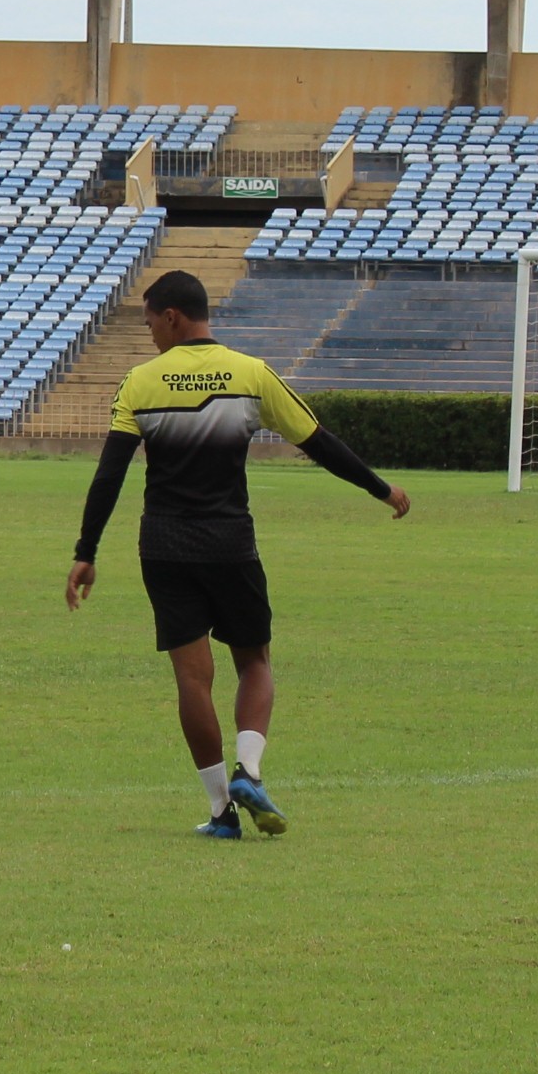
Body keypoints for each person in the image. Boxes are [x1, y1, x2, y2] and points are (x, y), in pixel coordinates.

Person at [64, 269, 409, 839]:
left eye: (150, 320)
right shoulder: (251, 375)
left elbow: (110, 474)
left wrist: (86, 550)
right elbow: (319, 443)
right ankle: (250, 770)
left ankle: (221, 813)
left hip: (165, 546)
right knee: (254, 661)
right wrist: (381, 489)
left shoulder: (139, 383)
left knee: (192, 681)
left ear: (171, 315)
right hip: (229, 542)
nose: (149, 332)